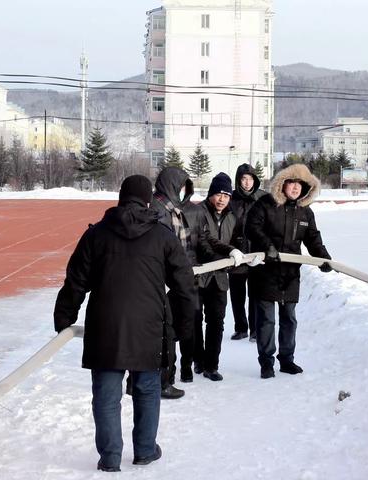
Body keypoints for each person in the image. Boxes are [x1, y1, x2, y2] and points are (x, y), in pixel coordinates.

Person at [53, 175, 195, 472]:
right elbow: (184, 284)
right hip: (149, 325)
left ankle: (110, 457)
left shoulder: (96, 235)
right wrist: (185, 325)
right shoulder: (163, 236)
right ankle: (144, 450)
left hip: (105, 326)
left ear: (120, 197)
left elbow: (76, 280)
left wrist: (65, 317)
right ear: (147, 199)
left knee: (106, 395)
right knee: (146, 389)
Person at [246, 164, 332, 379]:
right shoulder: (265, 204)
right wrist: (268, 246)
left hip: (290, 272)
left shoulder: (305, 212)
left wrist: (323, 258)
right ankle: (266, 362)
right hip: (266, 270)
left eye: (300, 185)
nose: (295, 188)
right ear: (283, 184)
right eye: (292, 183)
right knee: (267, 319)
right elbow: (251, 227)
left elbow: (313, 238)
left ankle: (287, 360)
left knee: (289, 318)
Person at [151, 166, 213, 398]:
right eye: (182, 186)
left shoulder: (175, 209)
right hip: (165, 280)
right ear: (172, 186)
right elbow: (164, 247)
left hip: (178, 278)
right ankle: (163, 380)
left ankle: (170, 376)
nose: (185, 190)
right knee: (166, 332)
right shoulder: (159, 208)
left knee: (178, 328)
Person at [195, 172, 244, 381]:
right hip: (198, 276)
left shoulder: (232, 216)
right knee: (195, 320)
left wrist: (240, 254)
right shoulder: (197, 212)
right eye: (218, 194)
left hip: (220, 278)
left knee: (216, 321)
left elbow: (238, 240)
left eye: (226, 195)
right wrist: (226, 254)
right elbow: (202, 241)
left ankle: (211, 365)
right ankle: (197, 359)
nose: (222, 199)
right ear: (210, 194)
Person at [229, 163, 266, 342]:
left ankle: (254, 329)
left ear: (255, 180)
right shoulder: (231, 199)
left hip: (256, 253)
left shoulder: (262, 198)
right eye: (243, 179)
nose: (247, 183)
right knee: (237, 294)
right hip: (236, 252)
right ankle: (241, 328)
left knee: (255, 294)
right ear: (238, 180)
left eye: (250, 179)